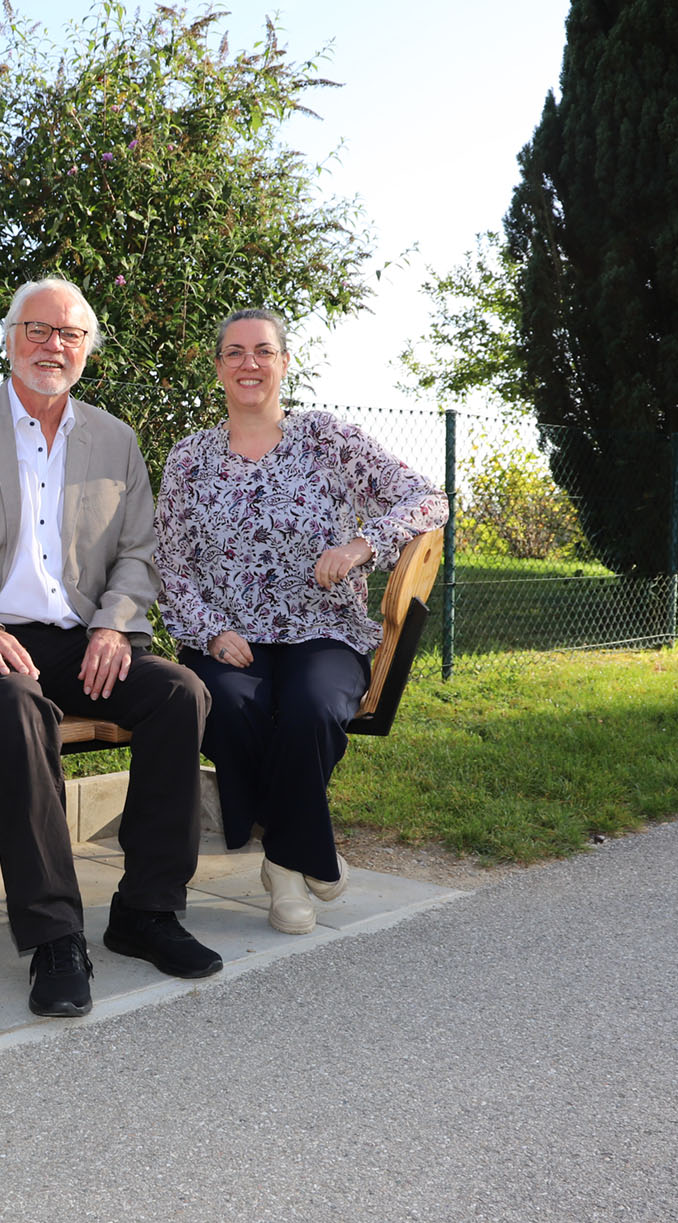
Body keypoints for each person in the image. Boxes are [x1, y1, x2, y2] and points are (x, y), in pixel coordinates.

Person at [0, 277, 217, 1019]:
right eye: (37, 330)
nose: (52, 345)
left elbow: (140, 552)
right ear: (9, 340)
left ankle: (147, 911)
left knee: (179, 693)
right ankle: (55, 936)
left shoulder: (114, 439)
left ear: (87, 350)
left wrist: (113, 624)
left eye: (69, 334)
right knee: (19, 709)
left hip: (79, 638)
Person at [154, 308, 447, 935]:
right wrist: (210, 631)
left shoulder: (326, 439)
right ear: (218, 368)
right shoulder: (189, 459)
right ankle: (307, 854)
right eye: (235, 352)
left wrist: (362, 545)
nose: (249, 363)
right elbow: (171, 565)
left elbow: (428, 498)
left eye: (263, 351)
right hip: (230, 637)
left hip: (325, 630)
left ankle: (284, 863)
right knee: (228, 709)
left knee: (311, 710)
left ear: (285, 363)